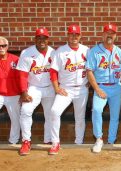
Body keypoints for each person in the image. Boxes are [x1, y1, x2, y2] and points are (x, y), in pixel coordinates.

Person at [86, 24, 121, 153]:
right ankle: (99, 139)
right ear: (103, 34)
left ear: (115, 36)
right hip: (101, 86)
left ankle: (111, 140)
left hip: (116, 87)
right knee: (97, 110)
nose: (110, 35)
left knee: (115, 116)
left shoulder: (119, 51)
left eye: (112, 33)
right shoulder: (94, 51)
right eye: (107, 32)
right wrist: (97, 89)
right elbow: (89, 72)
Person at [48, 24, 89, 155]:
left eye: (76, 34)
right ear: (68, 35)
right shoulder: (60, 51)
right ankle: (55, 142)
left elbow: (92, 69)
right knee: (54, 111)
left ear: (80, 36)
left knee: (80, 118)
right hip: (65, 89)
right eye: (71, 34)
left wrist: (90, 82)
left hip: (82, 88)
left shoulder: (87, 50)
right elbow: (53, 71)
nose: (74, 37)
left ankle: (79, 142)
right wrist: (56, 88)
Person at [16, 28, 55, 156]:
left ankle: (48, 140)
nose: (42, 40)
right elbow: (22, 75)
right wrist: (23, 92)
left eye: (44, 38)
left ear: (48, 40)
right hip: (34, 87)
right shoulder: (26, 53)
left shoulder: (54, 53)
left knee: (51, 115)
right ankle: (26, 141)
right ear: (35, 39)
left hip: (50, 87)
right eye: (39, 38)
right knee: (26, 111)